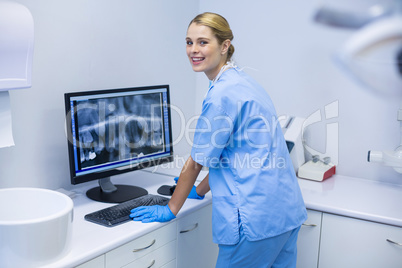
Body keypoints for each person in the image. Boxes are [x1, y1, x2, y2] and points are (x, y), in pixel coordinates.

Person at [130, 12, 307, 267]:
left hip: (253, 222)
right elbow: (234, 155)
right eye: (189, 42)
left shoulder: (221, 95)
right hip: (284, 214)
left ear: (224, 46)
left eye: (203, 42)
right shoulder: (245, 83)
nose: (193, 50)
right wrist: (199, 191)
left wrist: (170, 208)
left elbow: (196, 161)